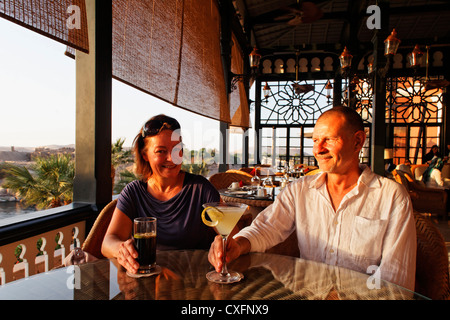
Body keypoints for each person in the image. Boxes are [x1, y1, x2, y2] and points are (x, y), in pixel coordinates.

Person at [208, 106, 417, 290]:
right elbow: (266, 228)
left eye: (329, 139)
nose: (318, 149)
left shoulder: (392, 197)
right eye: (316, 140)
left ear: (358, 141)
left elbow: (397, 279)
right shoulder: (299, 190)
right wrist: (237, 244)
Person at [102, 114, 220, 274]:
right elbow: (108, 242)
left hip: (195, 285)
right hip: (147, 286)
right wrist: (120, 249)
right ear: (145, 155)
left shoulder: (201, 189)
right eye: (161, 151)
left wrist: (223, 243)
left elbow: (234, 236)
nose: (171, 158)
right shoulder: (133, 192)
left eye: (177, 150)